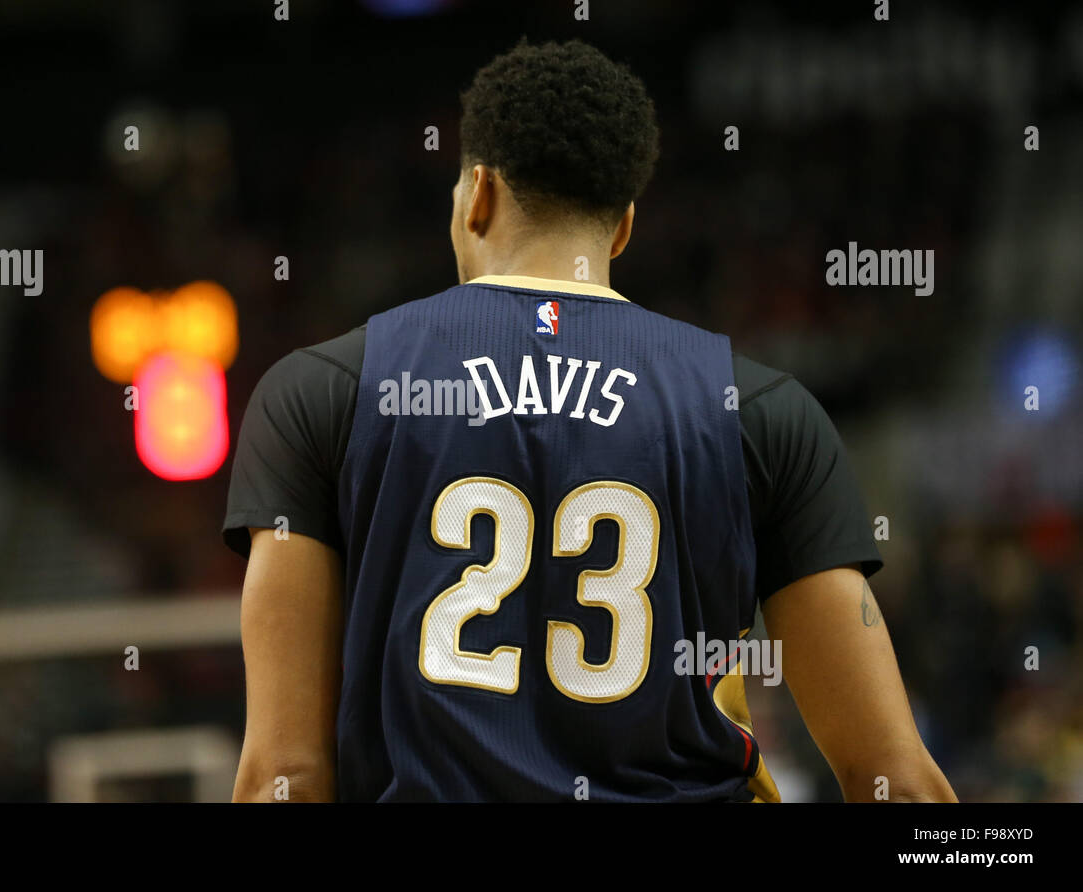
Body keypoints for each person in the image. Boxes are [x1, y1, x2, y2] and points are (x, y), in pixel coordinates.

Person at [223, 38, 956, 803]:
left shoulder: (319, 391)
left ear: (477, 194)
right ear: (623, 226)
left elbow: (285, 775)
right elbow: (898, 785)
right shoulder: (766, 411)